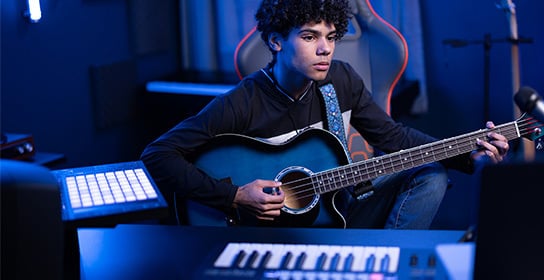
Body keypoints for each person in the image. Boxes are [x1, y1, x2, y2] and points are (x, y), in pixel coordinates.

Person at [141, 0, 509, 229]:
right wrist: (234, 195)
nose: (325, 49)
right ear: (276, 41)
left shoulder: (341, 80)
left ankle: (390, 261)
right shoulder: (244, 101)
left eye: (331, 37)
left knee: (430, 173)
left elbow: (394, 138)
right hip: (273, 229)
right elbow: (157, 155)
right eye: (309, 37)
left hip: (342, 206)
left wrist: (467, 152)